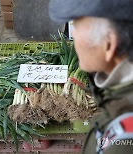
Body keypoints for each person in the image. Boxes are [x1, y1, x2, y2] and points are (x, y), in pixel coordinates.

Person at [49, 0, 133, 154]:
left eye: (77, 26)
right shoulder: (117, 96)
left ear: (109, 44)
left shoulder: (124, 146)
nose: (73, 34)